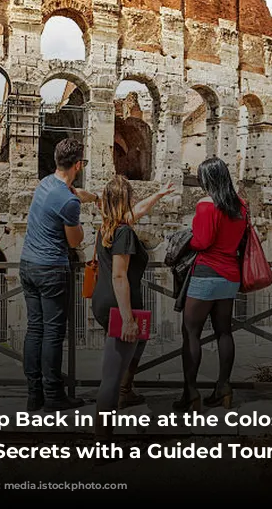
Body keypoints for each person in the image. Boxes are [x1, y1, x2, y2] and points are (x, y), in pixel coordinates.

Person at [92, 175, 175, 439]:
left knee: (130, 352)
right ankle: (102, 442)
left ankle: (123, 396)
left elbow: (137, 212)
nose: (136, 201)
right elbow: (119, 276)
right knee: (111, 378)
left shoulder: (108, 225)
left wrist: (159, 194)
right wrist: (127, 319)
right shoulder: (125, 232)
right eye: (132, 196)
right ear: (125, 200)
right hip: (118, 306)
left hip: (103, 301)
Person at [20, 137, 99, 412]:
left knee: (35, 329)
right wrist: (81, 220)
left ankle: (34, 394)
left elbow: (69, 195)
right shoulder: (68, 202)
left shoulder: (45, 184)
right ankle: (54, 395)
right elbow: (75, 241)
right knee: (53, 333)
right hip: (51, 269)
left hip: (27, 265)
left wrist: (89, 197)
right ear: (78, 164)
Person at [173, 157, 247, 413]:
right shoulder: (240, 206)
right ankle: (223, 387)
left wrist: (186, 239)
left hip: (206, 273)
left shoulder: (207, 205)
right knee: (224, 332)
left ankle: (190, 393)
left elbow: (202, 242)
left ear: (208, 180)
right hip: (230, 275)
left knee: (191, 333)